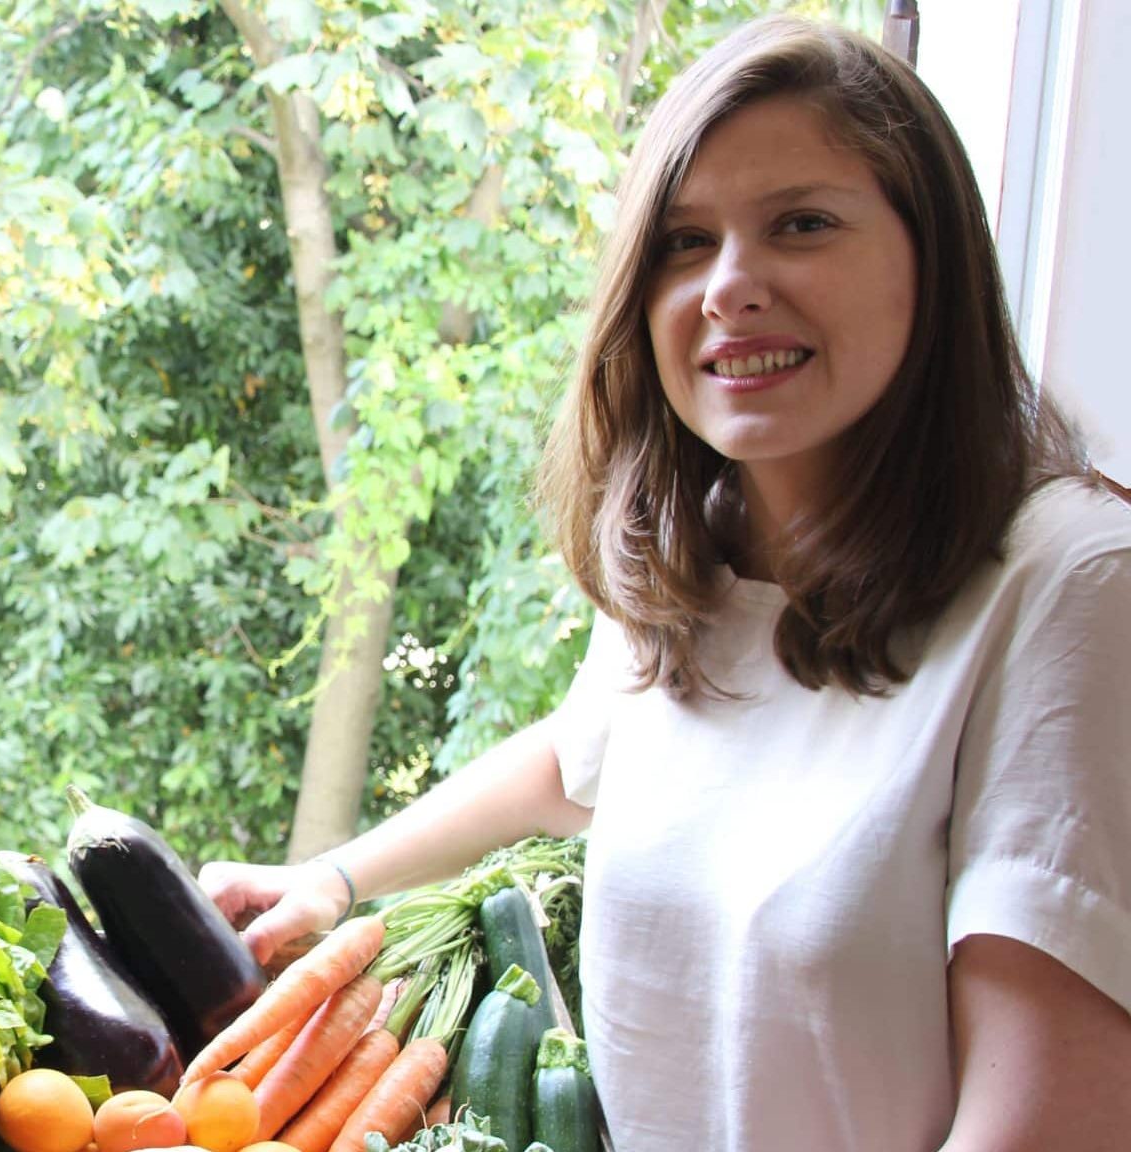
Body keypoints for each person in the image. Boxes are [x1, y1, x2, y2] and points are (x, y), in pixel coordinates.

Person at [201, 15, 1131, 1151]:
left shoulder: (1068, 581)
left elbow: (1044, 1120)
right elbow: (579, 757)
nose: (730, 286)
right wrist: (331, 881)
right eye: (684, 243)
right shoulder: (695, 543)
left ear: (930, 260)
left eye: (800, 223)